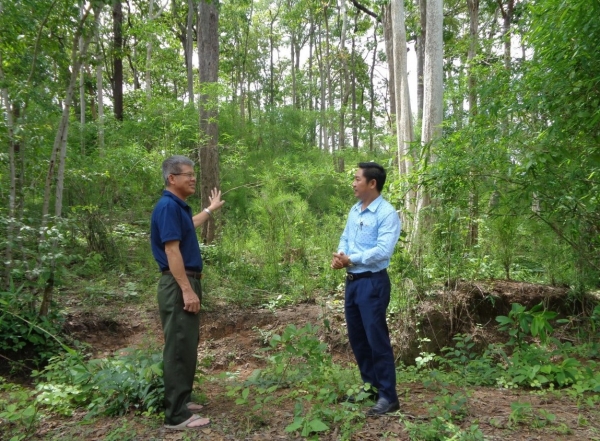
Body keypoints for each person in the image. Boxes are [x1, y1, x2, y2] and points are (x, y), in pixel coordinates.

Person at [150, 155, 225, 430]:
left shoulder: (177, 207)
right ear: (172, 178)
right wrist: (186, 290)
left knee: (186, 344)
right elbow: (171, 250)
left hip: (185, 282)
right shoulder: (168, 207)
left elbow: (187, 227)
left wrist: (209, 210)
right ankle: (176, 416)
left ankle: (182, 400)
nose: (193, 178)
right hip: (178, 283)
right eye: (188, 175)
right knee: (179, 346)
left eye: (194, 174)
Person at [331, 162, 401, 416]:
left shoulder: (386, 213)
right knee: (358, 339)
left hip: (372, 282)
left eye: (357, 179)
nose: (353, 183)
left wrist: (353, 259)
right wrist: (340, 257)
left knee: (376, 339)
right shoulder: (354, 209)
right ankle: (370, 387)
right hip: (352, 282)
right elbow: (346, 237)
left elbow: (383, 251)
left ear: (372, 183)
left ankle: (388, 397)